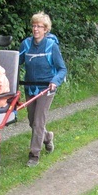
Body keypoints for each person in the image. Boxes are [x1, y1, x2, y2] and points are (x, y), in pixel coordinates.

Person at [19, 12, 67, 167]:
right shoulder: (26, 44)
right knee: (32, 121)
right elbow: (15, 63)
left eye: (39, 26)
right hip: (30, 87)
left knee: (39, 121)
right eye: (34, 25)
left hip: (46, 88)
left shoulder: (51, 46)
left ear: (46, 29)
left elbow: (62, 69)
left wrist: (55, 81)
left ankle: (34, 155)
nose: (35, 29)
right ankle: (47, 137)